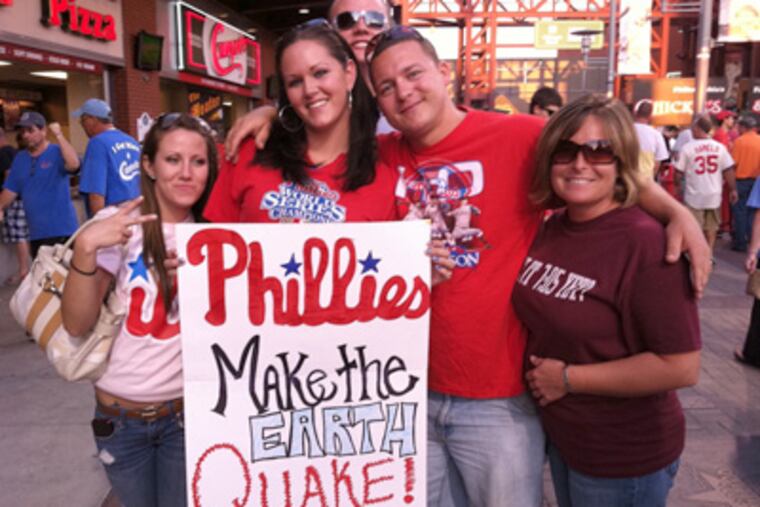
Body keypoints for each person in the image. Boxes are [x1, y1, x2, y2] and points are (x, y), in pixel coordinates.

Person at [366, 26, 710, 506]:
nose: (403, 90)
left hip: (497, 399)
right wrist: (268, 113)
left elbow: (597, 158)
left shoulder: (520, 134)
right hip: (406, 392)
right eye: (386, 86)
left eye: (413, 73)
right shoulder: (374, 154)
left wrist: (676, 212)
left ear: (444, 73)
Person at [513, 93, 701, 507]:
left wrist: (567, 379)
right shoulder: (553, 228)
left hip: (622, 457)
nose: (580, 163)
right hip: (567, 440)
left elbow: (681, 366)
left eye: (600, 151)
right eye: (566, 150)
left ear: (622, 161)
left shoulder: (646, 242)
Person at [60, 113, 218, 507]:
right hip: (121, 421)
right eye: (172, 159)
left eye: (197, 161)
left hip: (188, 417)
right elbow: (76, 324)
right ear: (148, 164)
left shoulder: (218, 235)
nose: (186, 173)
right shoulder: (117, 227)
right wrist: (86, 249)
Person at [224, 0, 394, 156]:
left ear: (390, 27)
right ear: (330, 33)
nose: (361, 28)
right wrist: (272, 115)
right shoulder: (300, 112)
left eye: (375, 19)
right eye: (346, 20)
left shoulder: (409, 99)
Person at [0, 111, 79, 257]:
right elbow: (10, 190)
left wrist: (59, 135)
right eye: (23, 131)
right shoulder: (20, 158)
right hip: (36, 233)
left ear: (43, 131)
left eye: (30, 130)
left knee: (63, 276)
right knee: (42, 278)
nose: (25, 135)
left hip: (62, 230)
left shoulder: (57, 151)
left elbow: (73, 164)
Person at [674, 114, 737, 253]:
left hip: (694, 194)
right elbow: (728, 169)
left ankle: (695, 253)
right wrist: (733, 189)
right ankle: (708, 254)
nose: (691, 131)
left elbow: (678, 171)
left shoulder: (688, 148)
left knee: (694, 227)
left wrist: (677, 186)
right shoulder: (719, 147)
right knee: (712, 228)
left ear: (697, 129)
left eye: (693, 128)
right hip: (714, 194)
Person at [73, 98, 141, 217]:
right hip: (138, 211)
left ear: (91, 120)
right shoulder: (132, 141)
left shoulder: (97, 143)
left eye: (82, 121)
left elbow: (96, 192)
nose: (82, 125)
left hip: (113, 217)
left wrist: (99, 225)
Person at [0, 126, 30, 284]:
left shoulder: (4, 153)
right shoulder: (16, 153)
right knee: (22, 236)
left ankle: (23, 272)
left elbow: (9, 176)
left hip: (13, 200)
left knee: (19, 236)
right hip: (20, 199)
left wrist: (3, 201)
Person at [730, 114, 760, 252]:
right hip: (756, 181)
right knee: (752, 214)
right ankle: (751, 240)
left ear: (744, 127)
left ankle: (740, 242)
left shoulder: (739, 141)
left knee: (739, 212)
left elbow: (733, 162)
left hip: (741, 180)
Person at [632, 99, 669, 180]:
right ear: (650, 116)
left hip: (626, 179)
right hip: (646, 180)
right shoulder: (656, 135)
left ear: (635, 113)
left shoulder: (625, 130)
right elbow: (658, 162)